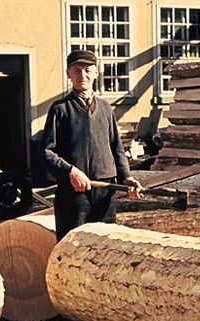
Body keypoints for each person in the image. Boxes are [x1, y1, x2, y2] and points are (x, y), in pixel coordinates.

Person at [40, 49, 142, 241]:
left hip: (105, 190)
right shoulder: (60, 109)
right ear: (68, 73)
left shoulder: (105, 108)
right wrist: (71, 171)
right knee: (72, 247)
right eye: (77, 70)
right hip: (73, 193)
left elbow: (116, 148)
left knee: (106, 248)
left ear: (96, 72)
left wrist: (126, 177)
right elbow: (46, 152)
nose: (83, 75)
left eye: (88, 70)